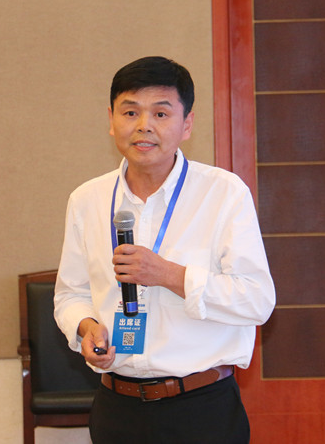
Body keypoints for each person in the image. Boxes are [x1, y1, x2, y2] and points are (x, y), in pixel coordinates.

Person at [54, 56, 275, 443]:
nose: (144, 126)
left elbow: (256, 300)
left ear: (186, 124)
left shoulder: (224, 194)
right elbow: (71, 294)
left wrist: (169, 275)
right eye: (130, 112)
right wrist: (86, 328)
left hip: (201, 409)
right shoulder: (87, 199)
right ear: (111, 120)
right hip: (116, 408)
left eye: (160, 113)